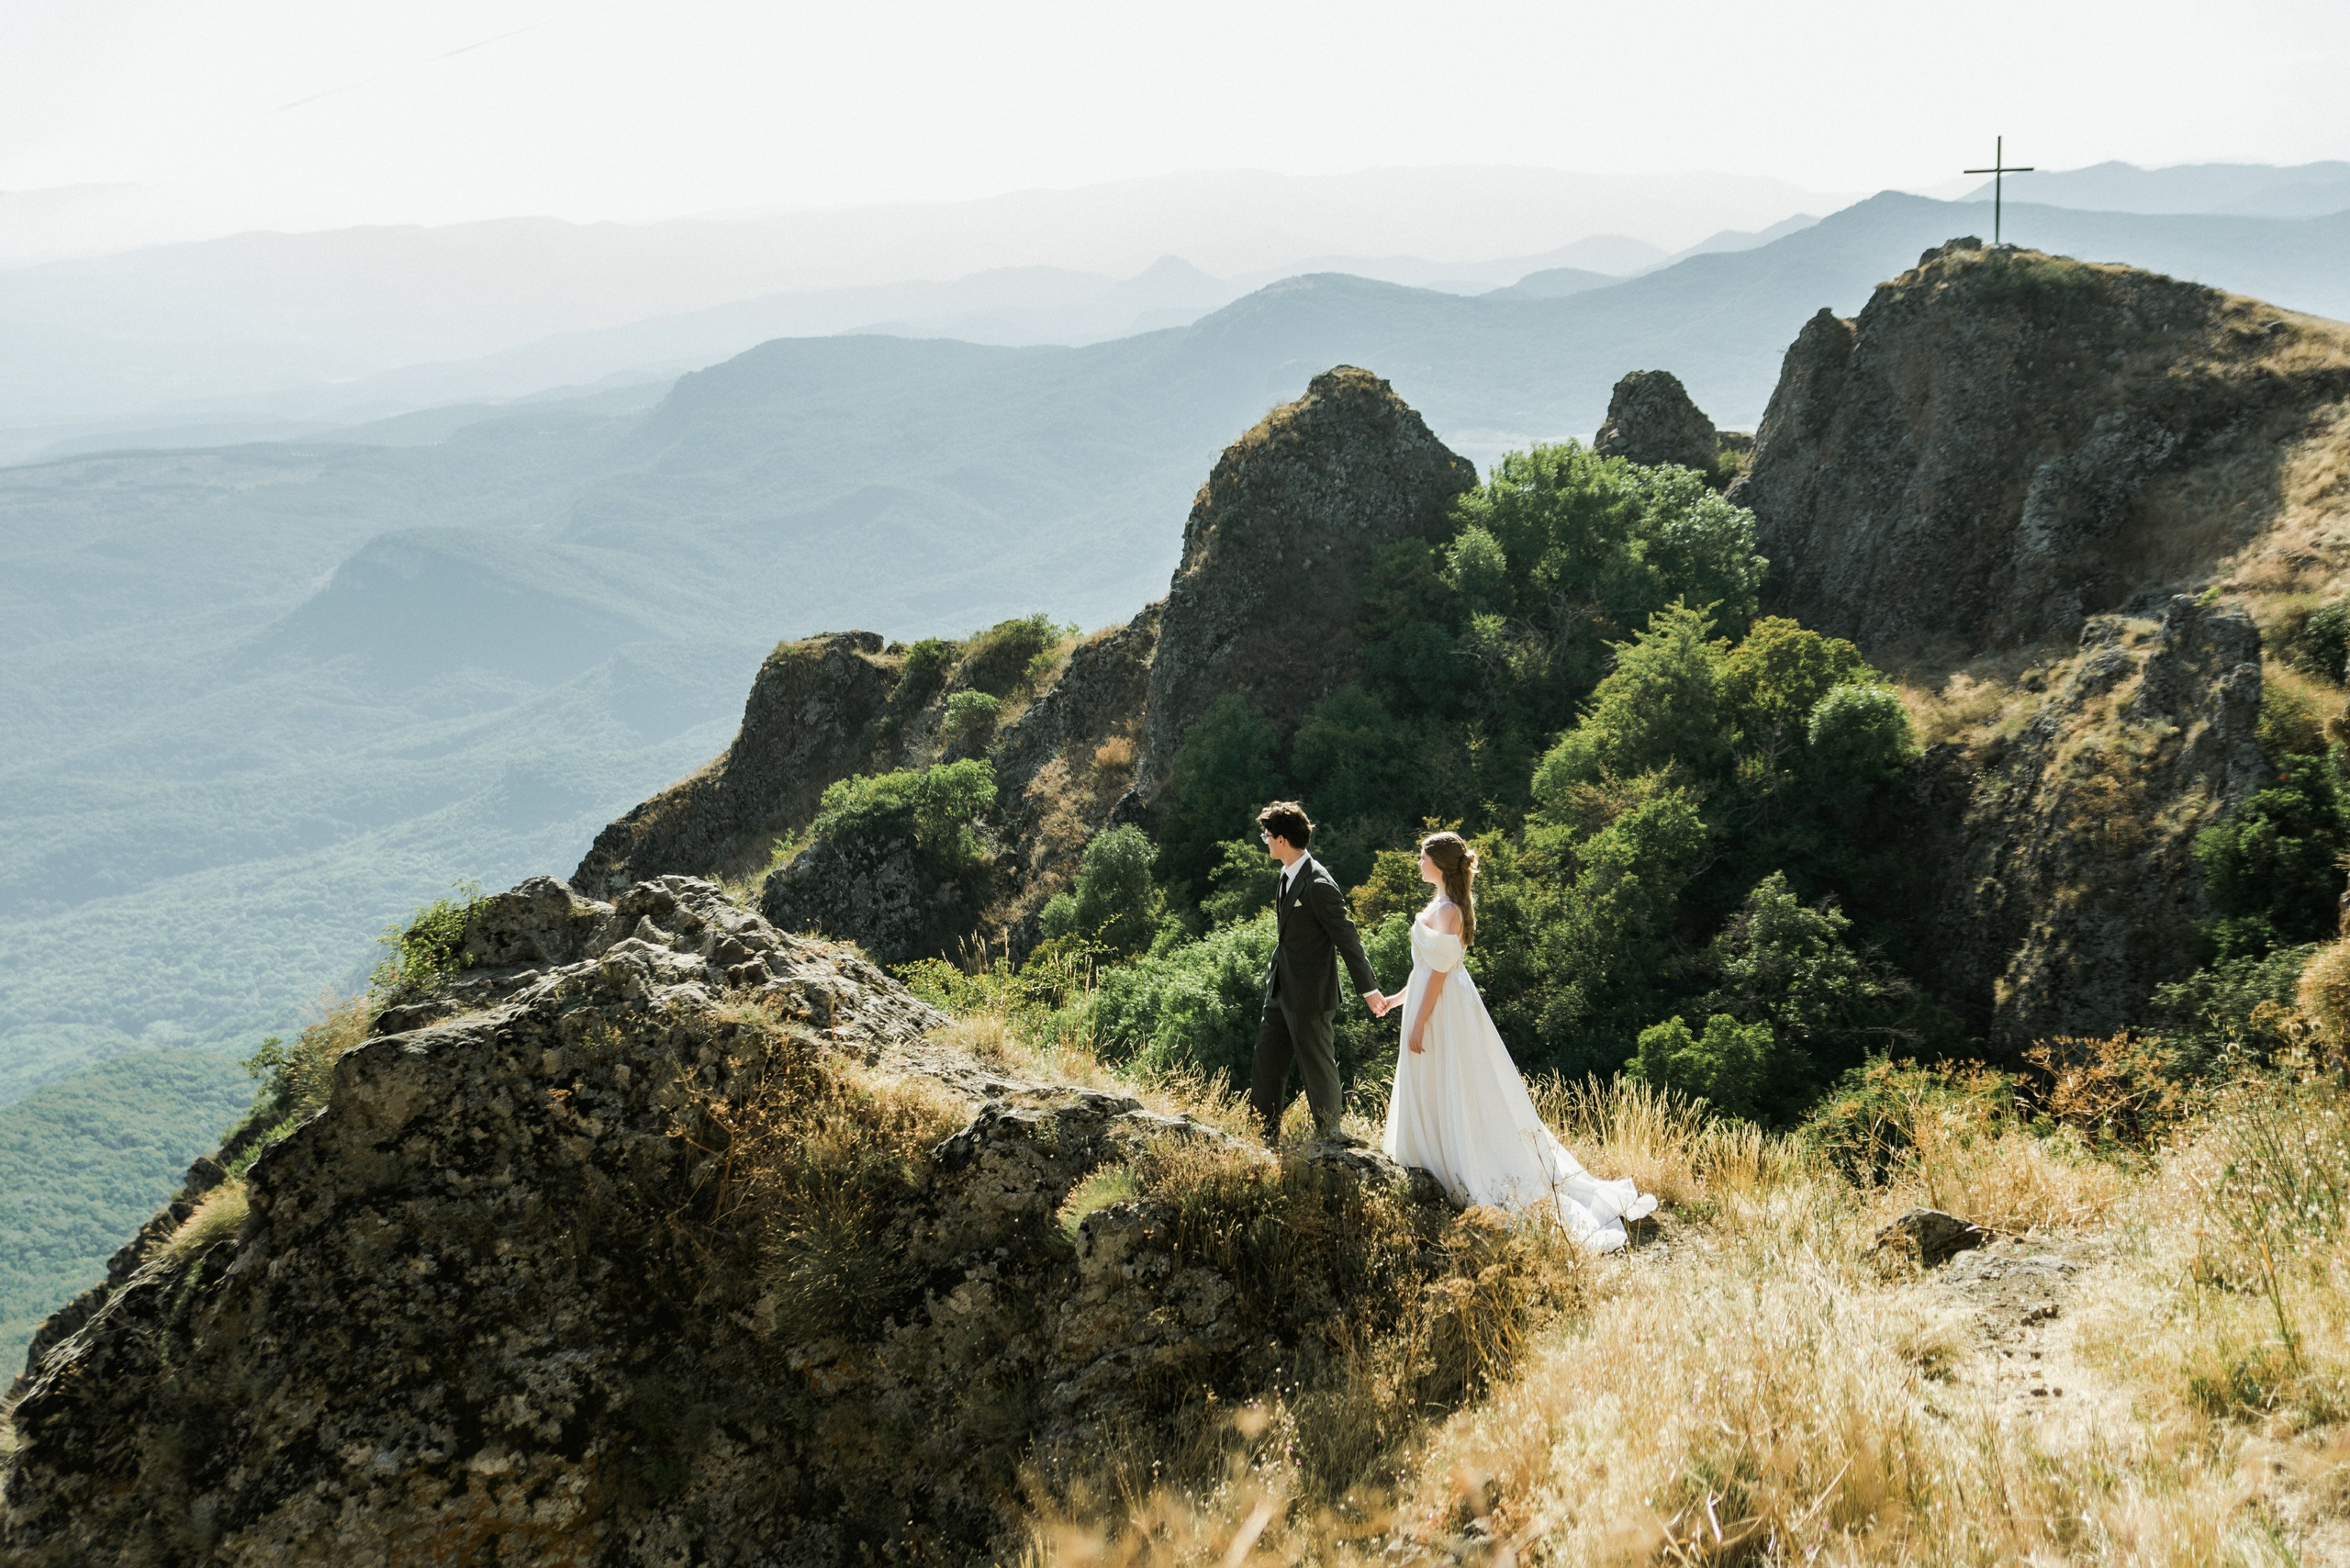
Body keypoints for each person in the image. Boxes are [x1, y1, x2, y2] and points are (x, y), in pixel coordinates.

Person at [1370, 831, 1658, 1251]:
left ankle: (1457, 1168)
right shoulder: (1440, 905)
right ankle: (1431, 1164)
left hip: (1442, 1012)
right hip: (1430, 1003)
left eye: (1423, 856)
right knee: (1432, 1086)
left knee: (1453, 1085)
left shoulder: (1449, 910)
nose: (1418, 862)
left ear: (1440, 863)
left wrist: (1419, 1022)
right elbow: (1423, 970)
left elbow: (1439, 975)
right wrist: (1398, 1002)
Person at [1250, 801, 1388, 1145]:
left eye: (1266, 835)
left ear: (1282, 839)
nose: (1264, 840)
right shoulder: (1286, 875)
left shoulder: (1318, 883)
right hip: (1281, 988)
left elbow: (1347, 937)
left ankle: (1331, 1142)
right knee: (1266, 1064)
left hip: (1311, 995)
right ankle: (1262, 1141)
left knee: (1318, 1070)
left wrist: (1369, 990)